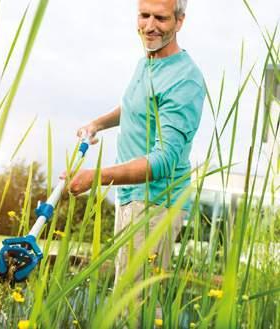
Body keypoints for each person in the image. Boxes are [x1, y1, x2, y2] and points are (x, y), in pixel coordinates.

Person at [64, 0, 205, 323]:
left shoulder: (185, 80)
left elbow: (165, 160)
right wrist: (97, 124)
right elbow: (133, 105)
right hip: (132, 197)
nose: (150, 25)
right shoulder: (148, 63)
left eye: (161, 18)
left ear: (180, 22)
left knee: (137, 305)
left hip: (156, 204)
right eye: (144, 16)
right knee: (125, 298)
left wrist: (96, 177)